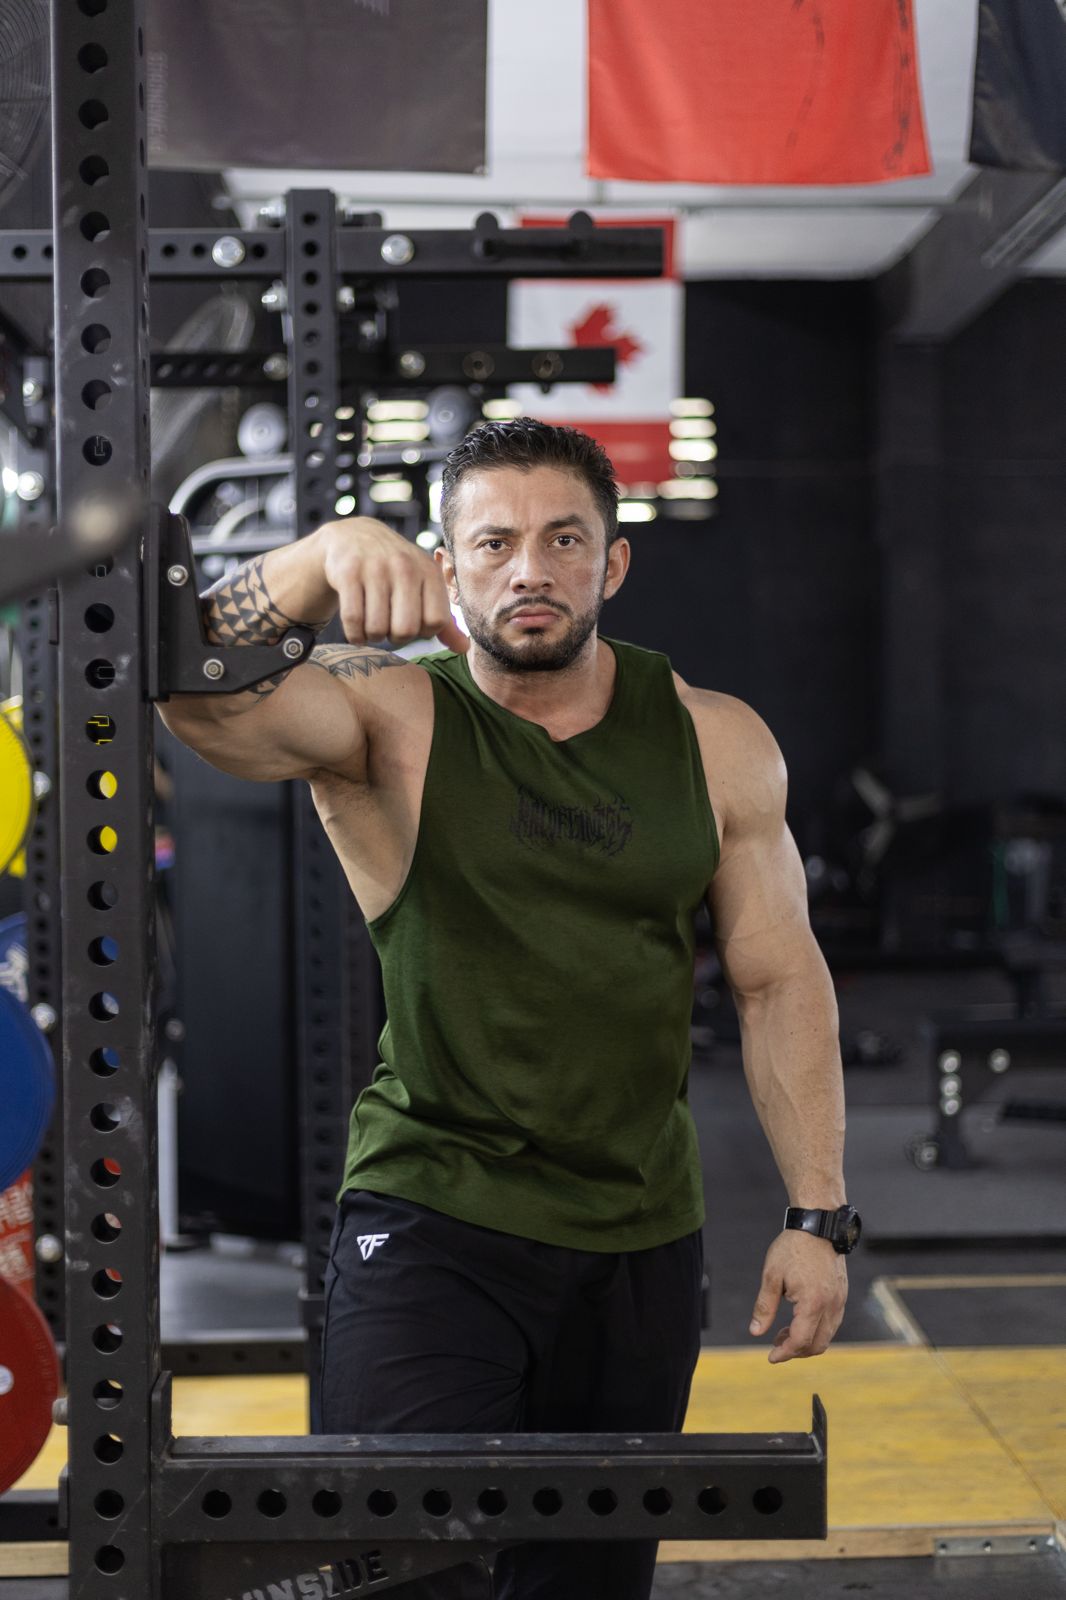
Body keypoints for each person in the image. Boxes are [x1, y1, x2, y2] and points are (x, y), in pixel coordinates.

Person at [158, 418, 855, 1600]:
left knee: (584, 1584)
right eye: (492, 543)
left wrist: (818, 1213)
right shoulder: (387, 713)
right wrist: (316, 558)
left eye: (562, 539)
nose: (528, 568)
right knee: (401, 1570)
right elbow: (188, 692)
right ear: (448, 563)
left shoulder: (715, 740)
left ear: (612, 562)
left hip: (638, 1236)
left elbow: (776, 975)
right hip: (433, 1214)